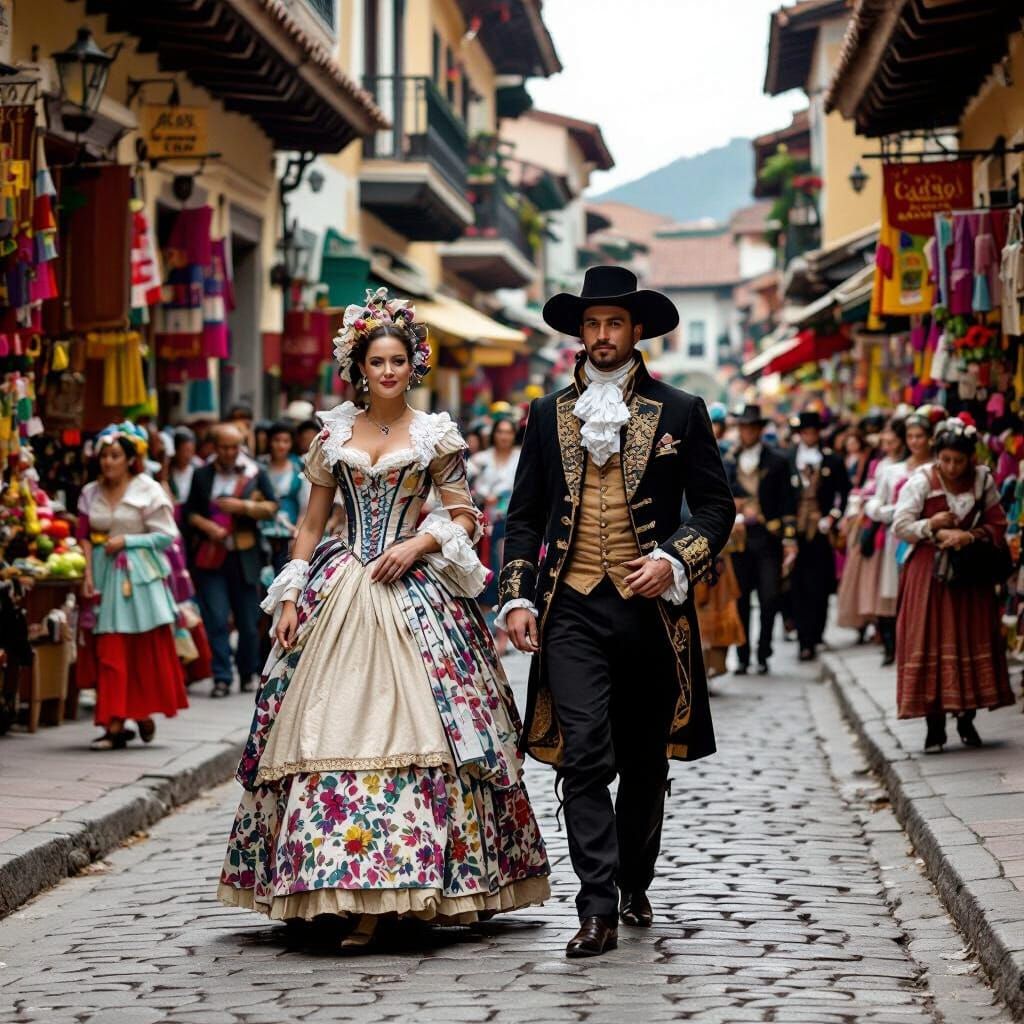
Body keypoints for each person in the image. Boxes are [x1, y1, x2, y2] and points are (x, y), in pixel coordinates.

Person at [218, 287, 550, 945]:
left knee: (428, 730)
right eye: (378, 362)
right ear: (360, 368)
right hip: (341, 587)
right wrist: (289, 593)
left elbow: (464, 516)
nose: (390, 371)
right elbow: (311, 523)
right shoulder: (333, 433)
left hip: (412, 589)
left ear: (413, 363)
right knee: (319, 728)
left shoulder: (435, 436)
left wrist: (417, 543)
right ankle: (331, 886)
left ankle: (397, 889)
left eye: (399, 360)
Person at [498, 266, 734, 958]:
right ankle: (595, 907)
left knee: (641, 761)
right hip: (570, 608)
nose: (602, 336)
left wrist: (675, 558)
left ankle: (635, 879)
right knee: (585, 756)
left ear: (636, 332)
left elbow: (717, 508)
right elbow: (526, 515)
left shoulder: (683, 409)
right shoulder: (547, 413)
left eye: (614, 324)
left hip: (650, 614)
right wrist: (516, 593)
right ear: (581, 332)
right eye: (592, 324)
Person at [893, 415, 1015, 752]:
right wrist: (932, 526)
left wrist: (969, 535)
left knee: (970, 638)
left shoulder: (982, 481)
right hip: (929, 575)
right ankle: (934, 727)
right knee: (930, 639)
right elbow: (900, 524)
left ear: (971, 458)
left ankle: (967, 719)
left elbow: (998, 523)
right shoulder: (921, 481)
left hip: (970, 576)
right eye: (945, 459)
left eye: (958, 460)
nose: (951, 466)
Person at [77, 423, 188, 750]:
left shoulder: (148, 489)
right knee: (108, 647)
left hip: (140, 578)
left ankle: (137, 714)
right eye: (104, 456)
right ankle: (114, 722)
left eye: (115, 456)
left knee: (142, 648)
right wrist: (86, 575)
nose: (108, 462)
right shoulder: (88, 493)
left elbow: (168, 536)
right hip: (101, 573)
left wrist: (129, 540)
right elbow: (83, 536)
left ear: (130, 459)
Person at [182, 424, 277, 698]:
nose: (229, 452)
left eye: (234, 447)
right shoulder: (202, 475)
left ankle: (247, 673)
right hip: (211, 557)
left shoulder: (255, 472)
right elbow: (189, 513)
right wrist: (206, 526)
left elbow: (272, 507)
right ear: (214, 447)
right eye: (224, 447)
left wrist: (243, 507)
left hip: (245, 557)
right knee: (216, 618)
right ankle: (221, 676)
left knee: (248, 622)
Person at [723, 404, 796, 675]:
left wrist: (790, 539)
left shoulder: (777, 460)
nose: (747, 432)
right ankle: (742, 655)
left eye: (752, 427)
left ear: (759, 430)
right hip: (739, 538)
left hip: (769, 538)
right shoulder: (728, 461)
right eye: (743, 427)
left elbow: (789, 501)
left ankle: (763, 651)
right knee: (741, 599)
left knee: (769, 597)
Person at [867, 408, 936, 664]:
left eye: (921, 436)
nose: (916, 441)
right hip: (896, 538)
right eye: (911, 436)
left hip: (928, 540)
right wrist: (895, 512)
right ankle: (892, 646)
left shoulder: (938, 469)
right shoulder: (891, 470)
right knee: (894, 591)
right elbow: (874, 504)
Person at [787, 410, 851, 661]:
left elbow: (844, 492)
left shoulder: (832, 460)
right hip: (796, 531)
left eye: (813, 432)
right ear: (800, 434)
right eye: (805, 432)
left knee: (820, 585)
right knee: (798, 585)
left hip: (821, 532)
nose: (809, 436)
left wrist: (832, 517)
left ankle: (815, 633)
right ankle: (804, 638)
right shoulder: (789, 458)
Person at [836, 419, 905, 647]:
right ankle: (883, 634)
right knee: (879, 582)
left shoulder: (905, 466)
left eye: (892, 439)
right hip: (880, 528)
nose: (887, 442)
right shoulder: (879, 464)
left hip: (898, 529)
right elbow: (871, 494)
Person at [470, 416, 521, 652]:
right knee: (479, 574)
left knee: (504, 573)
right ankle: (481, 636)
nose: (504, 436)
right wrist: (482, 496)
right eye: (500, 431)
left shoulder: (521, 457)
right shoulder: (480, 460)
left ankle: (502, 638)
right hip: (481, 525)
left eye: (508, 432)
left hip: (510, 524)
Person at [259, 422, 310, 576]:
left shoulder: (299, 467)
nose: (281, 445)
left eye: (285, 441)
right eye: (276, 440)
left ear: (291, 443)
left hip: (289, 533)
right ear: (269, 442)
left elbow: (304, 507)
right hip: (261, 532)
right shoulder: (259, 466)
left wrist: (298, 535)